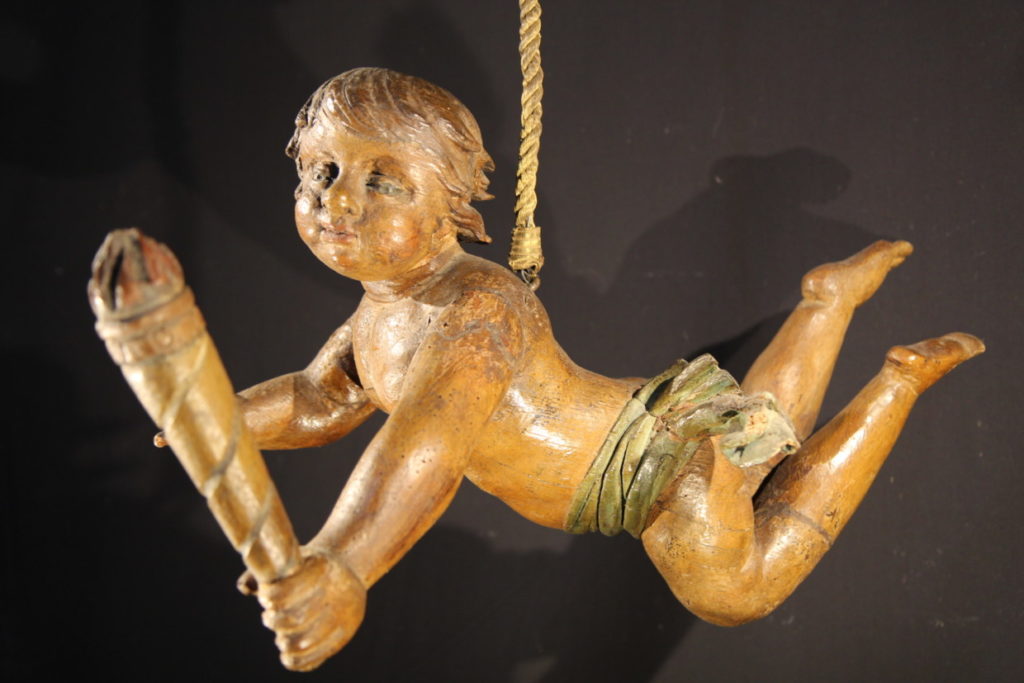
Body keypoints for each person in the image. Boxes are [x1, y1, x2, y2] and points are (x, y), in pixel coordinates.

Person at [232, 67, 983, 671]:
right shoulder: (378, 316)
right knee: (764, 435)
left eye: (383, 182)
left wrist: (343, 561)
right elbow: (317, 401)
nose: (336, 199)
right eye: (321, 170)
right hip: (650, 429)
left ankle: (898, 382)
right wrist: (212, 424)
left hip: (661, 475)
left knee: (736, 591)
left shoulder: (477, 306)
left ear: (451, 206)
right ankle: (827, 303)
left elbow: (427, 446)